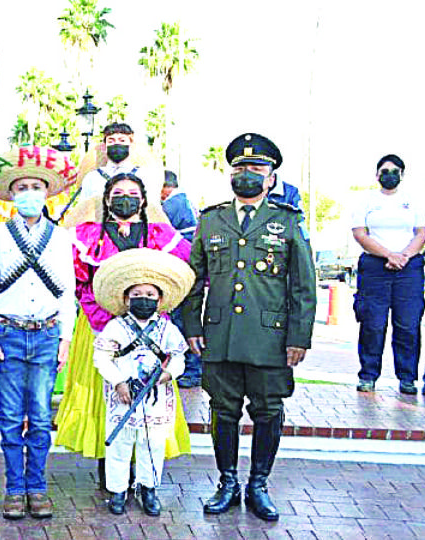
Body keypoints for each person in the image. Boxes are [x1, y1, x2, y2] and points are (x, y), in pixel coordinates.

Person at [182, 132, 316, 522]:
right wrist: (193, 325)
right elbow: (194, 279)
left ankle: (259, 484)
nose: (248, 174)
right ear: (230, 174)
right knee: (223, 411)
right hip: (219, 335)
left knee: (268, 411)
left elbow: (304, 285)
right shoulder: (210, 220)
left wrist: (299, 337)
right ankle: (227, 482)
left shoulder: (287, 221)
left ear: (271, 177)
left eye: (257, 168)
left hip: (269, 339)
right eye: (240, 167)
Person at [54, 171, 191, 491]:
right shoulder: (87, 235)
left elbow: (186, 269)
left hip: (151, 331)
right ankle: (112, 476)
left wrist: (157, 310)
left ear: (143, 200)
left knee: (149, 399)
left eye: (132, 193)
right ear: (106, 199)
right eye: (118, 193)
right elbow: (76, 280)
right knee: (108, 399)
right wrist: (103, 316)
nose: (125, 198)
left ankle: (144, 476)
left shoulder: (161, 234)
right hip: (100, 328)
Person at [0, 145, 77, 520]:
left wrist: (65, 338)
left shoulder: (61, 238)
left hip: (48, 334)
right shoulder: (0, 237)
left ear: (47, 193)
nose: (30, 193)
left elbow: (67, 291)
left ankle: (37, 486)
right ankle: (14, 487)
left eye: (37, 186)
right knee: (8, 417)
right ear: (13, 195)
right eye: (23, 188)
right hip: (8, 335)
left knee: (38, 415)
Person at [91, 248, 194, 516]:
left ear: (159, 299)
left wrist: (167, 374)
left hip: (156, 399)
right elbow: (102, 358)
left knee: (152, 444)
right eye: (137, 295)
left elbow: (179, 358)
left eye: (149, 295)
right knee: (121, 444)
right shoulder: (115, 328)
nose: (143, 300)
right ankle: (117, 490)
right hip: (122, 398)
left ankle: (148, 489)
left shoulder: (167, 330)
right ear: (126, 299)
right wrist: (118, 382)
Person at [351, 154, 425, 394]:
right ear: (377, 175)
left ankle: (407, 378)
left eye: (395, 171)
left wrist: (403, 256)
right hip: (375, 268)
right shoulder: (365, 200)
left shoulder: (413, 200)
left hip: (409, 268)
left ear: (402, 175)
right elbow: (360, 233)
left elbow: (421, 233)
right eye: (385, 171)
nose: (389, 175)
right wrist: (388, 255)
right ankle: (368, 375)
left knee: (407, 325)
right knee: (373, 324)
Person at [160, 170, 201, 388]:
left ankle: (192, 370)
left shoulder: (172, 205)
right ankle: (192, 369)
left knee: (182, 323)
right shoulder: (185, 202)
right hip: (187, 273)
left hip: (179, 273)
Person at [77, 122, 140, 201]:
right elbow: (84, 209)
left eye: (122, 140)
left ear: (131, 145)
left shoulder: (144, 176)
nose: (117, 143)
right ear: (104, 147)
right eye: (111, 141)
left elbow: (152, 209)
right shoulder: (92, 178)